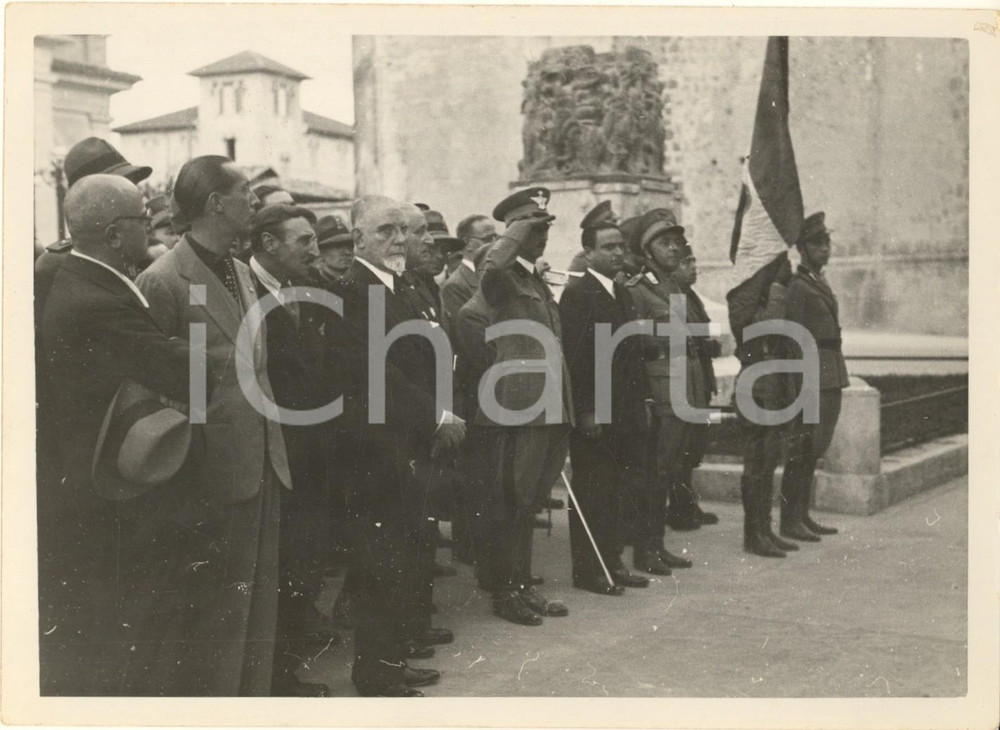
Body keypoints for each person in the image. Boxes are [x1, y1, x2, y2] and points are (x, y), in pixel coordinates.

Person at [136, 155, 293, 694]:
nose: (254, 202)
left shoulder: (243, 270)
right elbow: (154, 387)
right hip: (207, 471)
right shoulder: (162, 279)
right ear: (214, 204)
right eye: (245, 192)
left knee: (258, 603)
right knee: (216, 610)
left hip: (262, 457)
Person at [38, 174, 193, 695]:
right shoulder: (96, 298)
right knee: (128, 619)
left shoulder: (81, 279)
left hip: (98, 473)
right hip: (109, 483)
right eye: (142, 219)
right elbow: (175, 367)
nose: (150, 227)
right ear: (112, 234)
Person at [326, 195, 464, 696]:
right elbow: (375, 371)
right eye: (384, 231)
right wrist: (435, 415)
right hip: (375, 446)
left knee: (399, 557)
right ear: (357, 238)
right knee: (380, 561)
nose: (398, 240)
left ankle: (389, 658)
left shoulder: (399, 287)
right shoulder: (356, 291)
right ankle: (377, 673)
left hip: (406, 442)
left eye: (402, 231)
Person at [246, 204, 335, 696]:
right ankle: (276, 678)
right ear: (268, 244)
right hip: (273, 458)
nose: (316, 250)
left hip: (309, 456)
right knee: (279, 569)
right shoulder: (243, 293)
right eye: (305, 241)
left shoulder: (303, 292)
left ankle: (286, 668)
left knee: (303, 563)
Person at [476, 187, 572, 626]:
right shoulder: (501, 278)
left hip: (550, 404)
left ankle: (521, 583)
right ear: (514, 229)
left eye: (545, 227)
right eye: (533, 228)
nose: (541, 236)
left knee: (530, 499)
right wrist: (516, 232)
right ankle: (504, 591)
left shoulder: (533, 280)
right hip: (518, 405)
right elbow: (494, 262)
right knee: (510, 498)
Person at [559, 221, 653, 595]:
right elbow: (578, 359)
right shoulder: (578, 294)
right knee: (592, 490)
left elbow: (631, 356)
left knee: (617, 490)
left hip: (625, 409)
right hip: (597, 412)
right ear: (588, 253)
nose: (618, 253)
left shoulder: (620, 293)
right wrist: (585, 411)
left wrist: (643, 399)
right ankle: (589, 570)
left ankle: (613, 561)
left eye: (621, 247)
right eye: (608, 247)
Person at [394, 203, 459, 660]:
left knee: (422, 527)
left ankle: (417, 619)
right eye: (423, 236)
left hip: (432, 418)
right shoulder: (402, 291)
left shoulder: (421, 289)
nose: (432, 245)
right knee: (405, 531)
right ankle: (407, 624)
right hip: (413, 424)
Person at [779, 212, 847, 541]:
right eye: (819, 244)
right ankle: (790, 520)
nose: (826, 249)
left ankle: (802, 515)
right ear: (803, 249)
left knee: (814, 448)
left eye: (827, 242)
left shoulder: (817, 281)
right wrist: (799, 384)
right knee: (802, 448)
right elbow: (792, 338)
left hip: (830, 370)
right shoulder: (799, 287)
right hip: (812, 374)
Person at [727, 250, 798, 558]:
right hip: (756, 385)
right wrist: (779, 290)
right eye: (778, 263)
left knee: (770, 459)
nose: (785, 268)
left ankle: (764, 528)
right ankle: (753, 534)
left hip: (776, 379)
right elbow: (767, 326)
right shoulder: (742, 294)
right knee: (757, 460)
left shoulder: (766, 293)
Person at [440, 214, 496, 336]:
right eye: (487, 239)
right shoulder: (455, 285)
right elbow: (468, 336)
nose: (495, 244)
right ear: (468, 244)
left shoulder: (494, 276)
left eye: (495, 237)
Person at [310, 215, 355, 286]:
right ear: (320, 251)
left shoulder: (360, 284)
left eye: (350, 246)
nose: (347, 252)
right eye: (338, 246)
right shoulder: (314, 286)